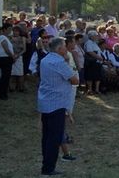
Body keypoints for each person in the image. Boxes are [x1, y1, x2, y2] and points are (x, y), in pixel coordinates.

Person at [37, 37, 79, 176]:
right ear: (59, 49)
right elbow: (74, 80)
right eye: (64, 46)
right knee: (54, 138)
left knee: (47, 136)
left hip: (46, 102)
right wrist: (67, 62)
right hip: (57, 104)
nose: (66, 49)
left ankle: (46, 164)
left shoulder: (45, 60)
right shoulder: (59, 62)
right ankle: (48, 168)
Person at [0, 25, 14, 100]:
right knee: (5, 76)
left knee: (6, 76)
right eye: (9, 29)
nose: (10, 31)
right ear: (4, 30)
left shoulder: (4, 37)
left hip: (6, 58)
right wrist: (12, 56)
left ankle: (3, 92)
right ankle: (2, 93)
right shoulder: (2, 37)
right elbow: (6, 48)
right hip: (5, 58)